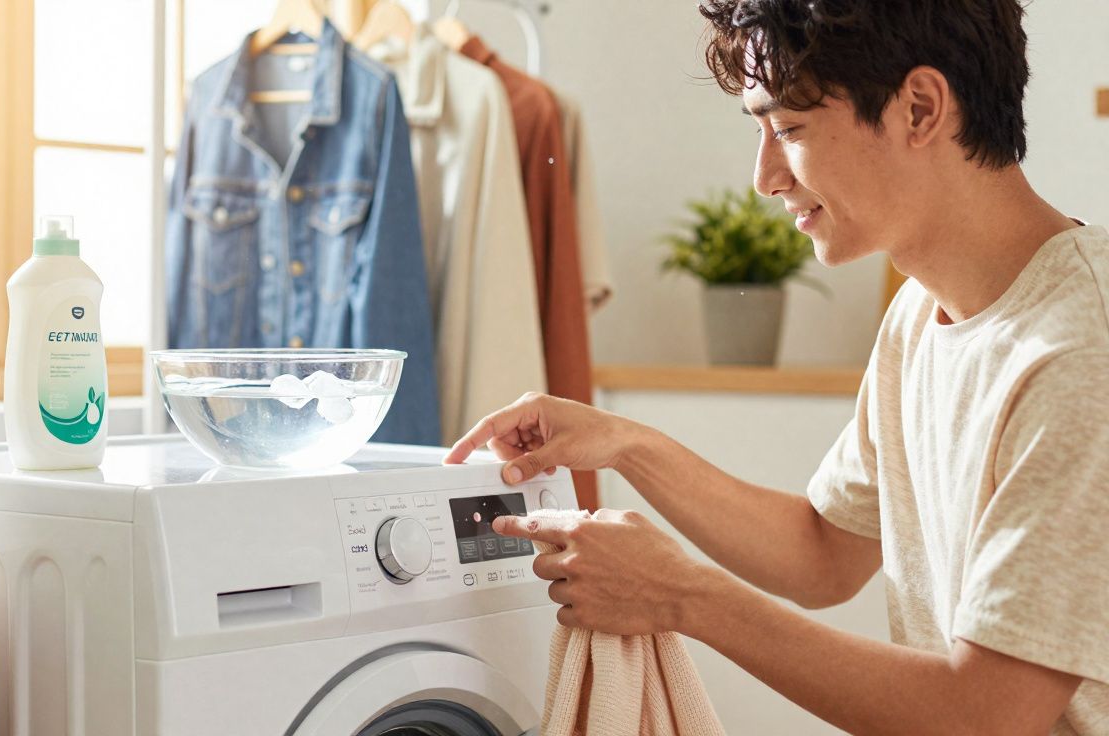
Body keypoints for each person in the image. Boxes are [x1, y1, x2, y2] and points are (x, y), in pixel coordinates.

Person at [443, 1, 1109, 732]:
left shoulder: (1080, 353)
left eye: (787, 129)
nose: (764, 178)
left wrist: (683, 594)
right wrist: (626, 444)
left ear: (920, 108)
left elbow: (985, 714)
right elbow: (823, 553)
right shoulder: (921, 313)